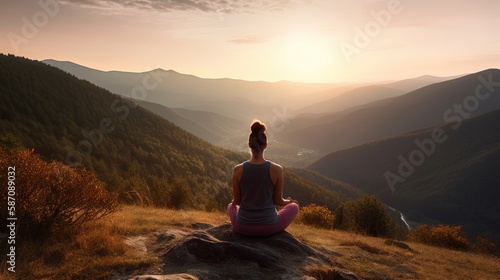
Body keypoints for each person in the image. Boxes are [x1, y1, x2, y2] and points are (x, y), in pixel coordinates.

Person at [227, 120, 299, 236]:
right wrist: (289, 201)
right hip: (269, 227)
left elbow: (237, 201)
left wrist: (234, 203)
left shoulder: (238, 170)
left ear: (249, 145)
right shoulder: (277, 169)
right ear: (265, 145)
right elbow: (278, 201)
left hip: (242, 227)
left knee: (230, 206)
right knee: (294, 206)